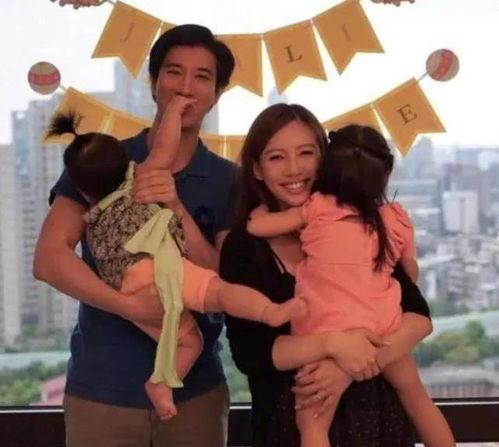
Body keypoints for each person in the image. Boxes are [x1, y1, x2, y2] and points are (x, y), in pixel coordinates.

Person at [34, 24, 239, 447]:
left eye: (202, 77)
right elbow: (49, 260)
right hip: (101, 392)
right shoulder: (103, 159)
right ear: (153, 83)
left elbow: (225, 279)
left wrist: (175, 208)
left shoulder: (228, 180)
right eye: (174, 72)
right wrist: (128, 306)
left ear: (217, 93)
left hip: (195, 395)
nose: (186, 87)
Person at [45, 106, 305, 421]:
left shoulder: (93, 219)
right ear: (127, 164)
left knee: (189, 342)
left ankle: (161, 385)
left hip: (130, 286)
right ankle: (269, 311)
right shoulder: (139, 183)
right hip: (165, 268)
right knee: (222, 293)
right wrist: (173, 112)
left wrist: (130, 306)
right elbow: (165, 147)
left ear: (83, 192)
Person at [220, 103, 437, 446]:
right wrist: (332, 345)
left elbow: (418, 318)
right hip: (287, 426)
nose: (294, 169)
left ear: (326, 157)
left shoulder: (366, 221)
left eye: (306, 153)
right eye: (276, 157)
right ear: (257, 168)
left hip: (380, 423)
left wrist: (348, 367)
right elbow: (252, 354)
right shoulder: (244, 247)